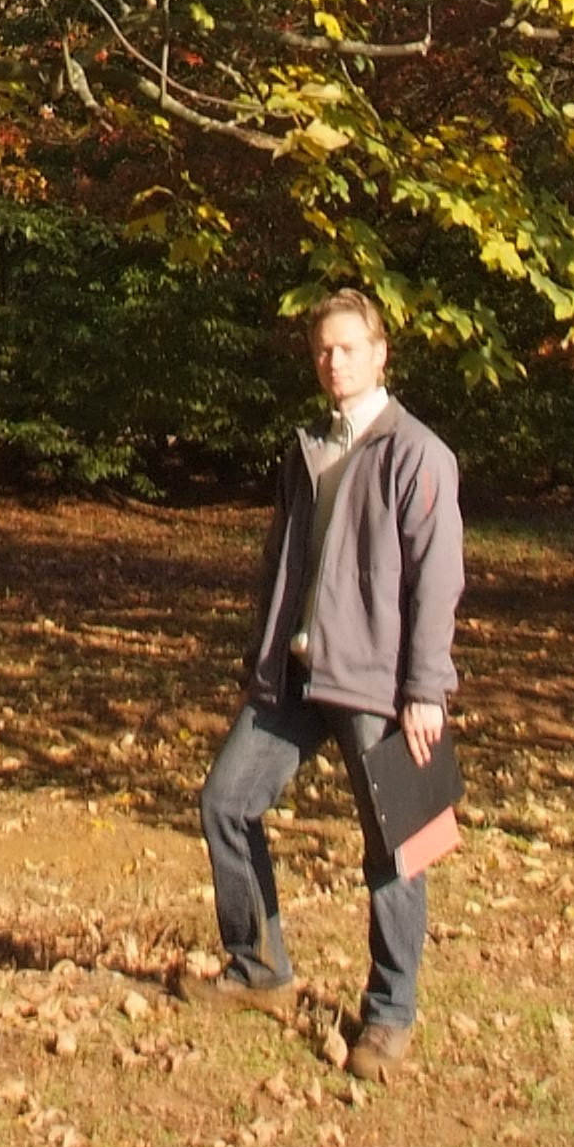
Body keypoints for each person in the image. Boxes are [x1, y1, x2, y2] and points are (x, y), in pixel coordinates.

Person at [198, 286, 464, 1063]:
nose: (333, 362)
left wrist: (426, 691)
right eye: (322, 350)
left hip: (382, 683)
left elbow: (438, 580)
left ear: (380, 354)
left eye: (348, 348)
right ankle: (257, 967)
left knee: (401, 842)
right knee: (225, 803)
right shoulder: (305, 447)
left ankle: (390, 1013)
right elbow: (281, 565)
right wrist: (261, 655)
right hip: (296, 674)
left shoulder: (419, 453)